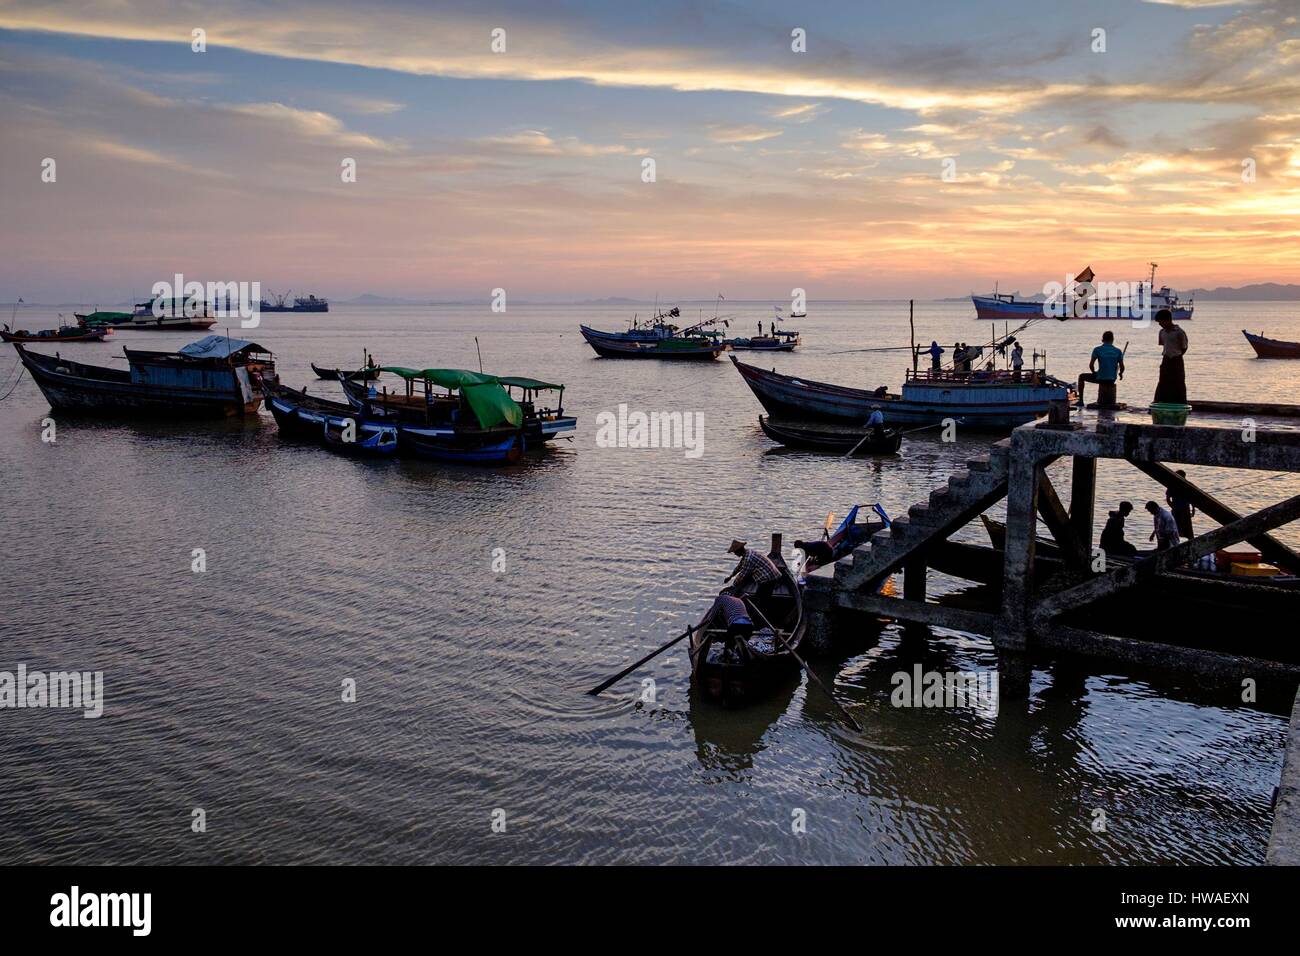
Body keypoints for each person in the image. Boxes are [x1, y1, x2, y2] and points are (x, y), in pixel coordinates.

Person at [1076, 330, 1125, 406]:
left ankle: (1081, 401)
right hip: (1112, 379)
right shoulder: (1118, 351)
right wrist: (1120, 374)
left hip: (1100, 378)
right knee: (1107, 379)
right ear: (1112, 340)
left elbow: (1091, 365)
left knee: (1081, 376)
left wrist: (1094, 372)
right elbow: (1122, 367)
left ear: (1102, 340)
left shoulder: (1097, 349)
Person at [1154, 309, 1188, 404]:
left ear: (1167, 320)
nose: (1160, 324)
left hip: (1177, 359)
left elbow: (1184, 347)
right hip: (1166, 359)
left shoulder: (1179, 332)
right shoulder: (1162, 332)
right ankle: (1160, 402)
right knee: (1163, 382)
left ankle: (1180, 403)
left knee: (1179, 382)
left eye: (1161, 321)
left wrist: (1177, 355)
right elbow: (1163, 345)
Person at [707, 587, 754, 654]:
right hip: (750, 626)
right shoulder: (739, 600)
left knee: (728, 648)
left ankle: (726, 660)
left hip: (736, 625)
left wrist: (705, 623)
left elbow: (711, 615)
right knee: (741, 650)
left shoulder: (720, 598)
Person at [1166, 469, 1195, 540]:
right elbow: (1168, 498)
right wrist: (1172, 506)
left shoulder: (1188, 485)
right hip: (1178, 509)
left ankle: (1188, 542)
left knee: (1186, 529)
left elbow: (1193, 498)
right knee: (1176, 528)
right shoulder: (1172, 486)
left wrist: (1193, 509)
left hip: (1184, 509)